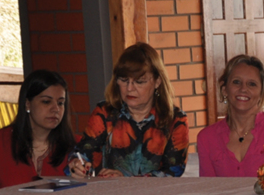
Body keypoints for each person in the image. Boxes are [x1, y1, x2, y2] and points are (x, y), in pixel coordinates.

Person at [68, 43, 188, 178]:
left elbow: (173, 171)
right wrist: (77, 164)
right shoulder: (104, 113)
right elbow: (83, 152)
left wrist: (126, 179)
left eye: (139, 82)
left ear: (157, 82)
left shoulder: (176, 119)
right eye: (124, 80)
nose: (130, 88)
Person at [0, 70, 75, 189]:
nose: (56, 109)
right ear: (27, 104)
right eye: (46, 101)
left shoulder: (76, 146)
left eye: (61, 103)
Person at [197, 55, 264, 177]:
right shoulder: (206, 138)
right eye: (236, 82)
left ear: (262, 91)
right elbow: (208, 191)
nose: (243, 89)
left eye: (252, 84)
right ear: (224, 89)